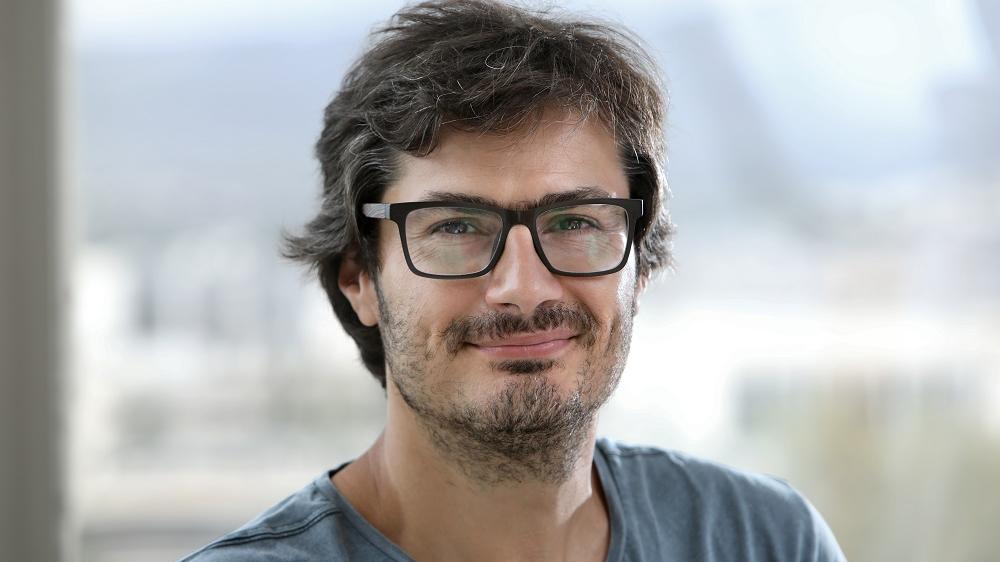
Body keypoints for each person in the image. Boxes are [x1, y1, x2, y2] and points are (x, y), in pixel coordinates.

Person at [182, 1, 846, 560]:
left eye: (576, 222)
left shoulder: (764, 540)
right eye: (456, 227)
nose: (525, 289)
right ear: (359, 277)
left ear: (639, 263)